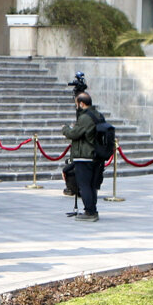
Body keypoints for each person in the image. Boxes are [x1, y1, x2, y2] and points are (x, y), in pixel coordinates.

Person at [61, 92, 104, 222]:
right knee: (92, 185)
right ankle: (92, 210)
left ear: (81, 103)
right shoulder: (98, 115)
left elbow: (74, 134)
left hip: (85, 156)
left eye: (77, 104)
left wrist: (65, 129)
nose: (77, 107)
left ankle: (89, 212)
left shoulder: (85, 118)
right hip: (96, 155)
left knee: (84, 185)